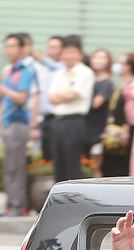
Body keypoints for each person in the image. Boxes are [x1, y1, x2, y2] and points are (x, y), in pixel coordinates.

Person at [0, 33, 35, 217]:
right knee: (9, 167)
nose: (9, 50)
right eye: (7, 46)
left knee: (15, 167)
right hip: (8, 122)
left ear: (21, 49)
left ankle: (18, 206)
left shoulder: (25, 71)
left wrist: (1, 87)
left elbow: (21, 98)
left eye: (13, 46)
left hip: (18, 123)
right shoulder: (11, 70)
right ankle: (10, 205)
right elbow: (6, 98)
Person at [48, 35, 95, 182]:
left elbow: (73, 94)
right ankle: (59, 202)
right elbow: (50, 98)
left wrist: (61, 96)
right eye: (66, 52)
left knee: (72, 164)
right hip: (58, 121)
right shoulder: (59, 73)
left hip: (75, 121)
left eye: (72, 52)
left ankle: (73, 202)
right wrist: (64, 96)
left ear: (80, 54)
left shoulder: (85, 72)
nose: (68, 55)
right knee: (58, 164)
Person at [101, 52, 134, 177]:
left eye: (123, 63)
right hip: (114, 131)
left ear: (130, 66)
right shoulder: (122, 84)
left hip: (125, 132)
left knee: (122, 167)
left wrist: (126, 127)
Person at [34, 35, 64, 161]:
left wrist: (42, 58)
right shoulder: (43, 69)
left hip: (58, 117)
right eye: (49, 47)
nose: (50, 50)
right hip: (44, 118)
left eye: (54, 47)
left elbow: (57, 67)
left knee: (57, 155)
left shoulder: (64, 67)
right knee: (45, 155)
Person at [85, 48, 115, 175]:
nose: (98, 60)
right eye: (96, 57)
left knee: (95, 165)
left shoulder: (107, 83)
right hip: (84, 127)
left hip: (97, 130)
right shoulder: (87, 78)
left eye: (102, 58)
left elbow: (96, 103)